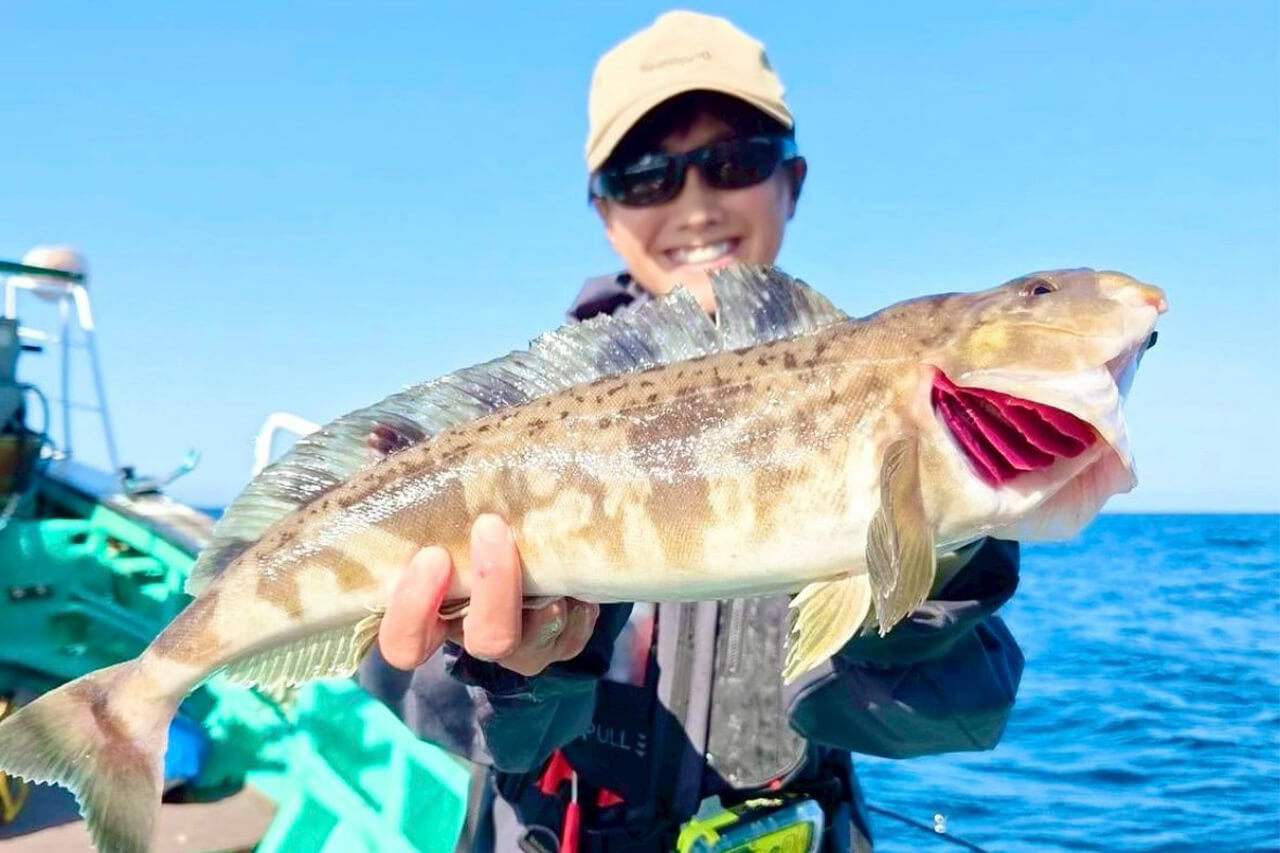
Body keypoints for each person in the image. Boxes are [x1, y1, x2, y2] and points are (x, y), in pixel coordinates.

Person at [357, 11, 1024, 852]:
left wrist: (936, 567)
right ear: (605, 211)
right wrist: (509, 672)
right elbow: (420, 697)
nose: (697, 204)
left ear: (794, 181)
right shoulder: (518, 423)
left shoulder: (887, 398)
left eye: (735, 162)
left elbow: (955, 717)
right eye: (647, 176)